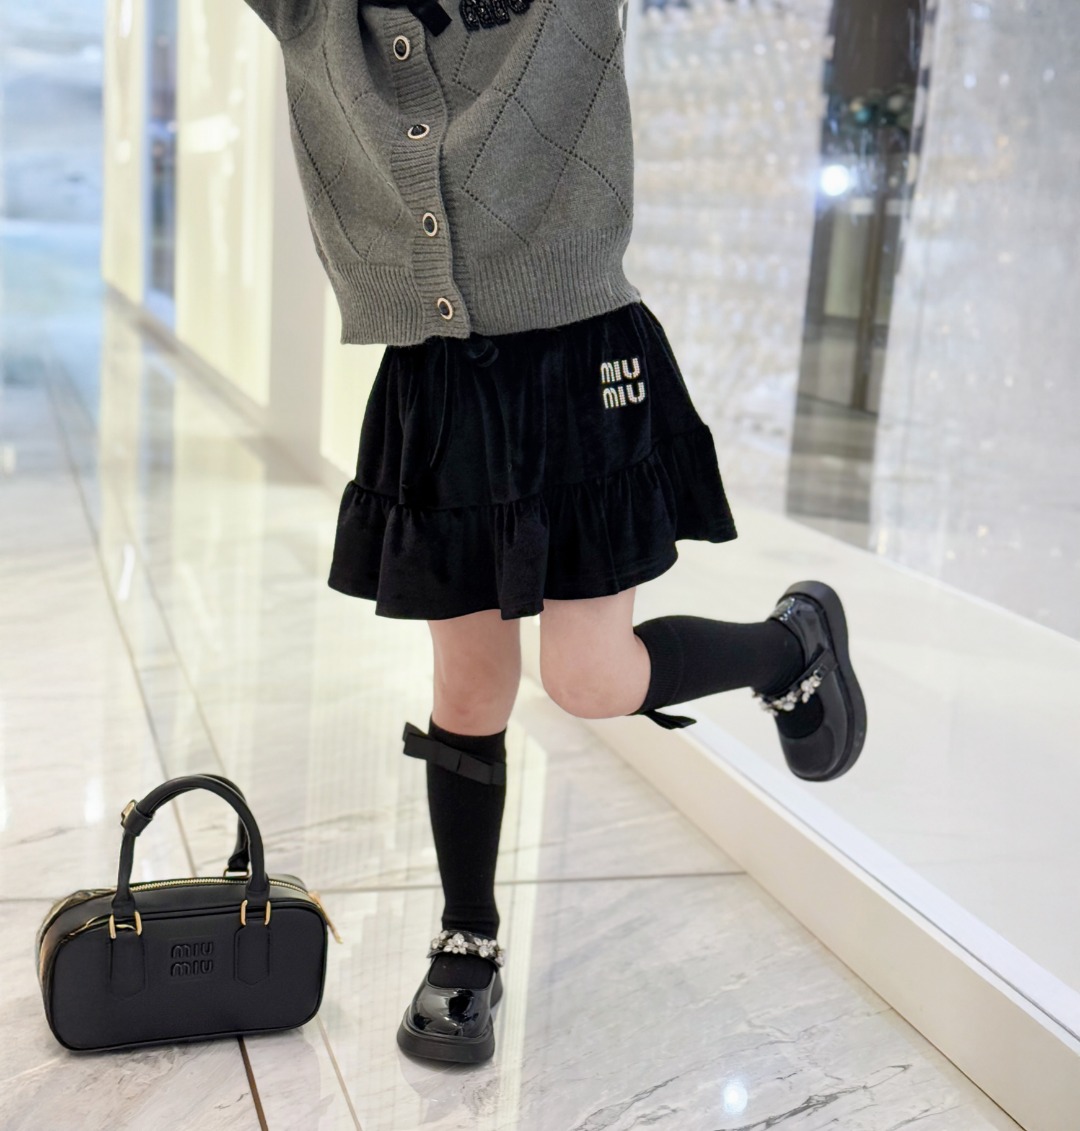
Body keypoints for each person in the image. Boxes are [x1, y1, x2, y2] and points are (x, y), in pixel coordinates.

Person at [243, 0, 867, 1066]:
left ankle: (789, 648)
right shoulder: (322, 14)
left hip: (582, 364)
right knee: (467, 688)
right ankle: (468, 939)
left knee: (586, 677)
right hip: (435, 382)